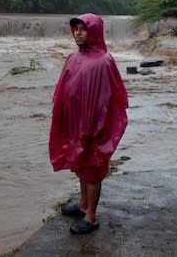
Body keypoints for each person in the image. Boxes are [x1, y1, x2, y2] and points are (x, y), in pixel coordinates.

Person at [49, 13, 128, 234]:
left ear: (94, 31)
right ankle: (83, 204)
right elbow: (63, 91)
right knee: (80, 165)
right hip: (75, 124)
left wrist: (97, 127)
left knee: (92, 168)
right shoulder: (73, 58)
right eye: (76, 29)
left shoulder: (104, 61)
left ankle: (91, 216)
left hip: (95, 127)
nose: (78, 33)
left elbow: (108, 99)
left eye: (83, 29)